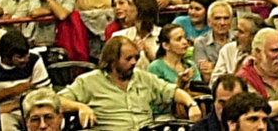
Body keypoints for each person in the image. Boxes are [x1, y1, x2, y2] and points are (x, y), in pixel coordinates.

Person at [62, 36, 204, 130]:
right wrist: (80, 106)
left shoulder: (143, 78)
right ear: (112, 60)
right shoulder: (89, 81)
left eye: (136, 58)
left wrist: (191, 104)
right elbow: (56, 101)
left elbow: (172, 91)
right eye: (128, 59)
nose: (134, 62)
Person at [0, 31, 50, 131]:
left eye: (27, 54)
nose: (26, 60)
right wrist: (13, 91)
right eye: (20, 57)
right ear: (6, 57)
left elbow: (46, 93)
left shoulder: (34, 59)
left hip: (32, 106)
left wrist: (17, 105)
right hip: (1, 111)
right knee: (3, 123)